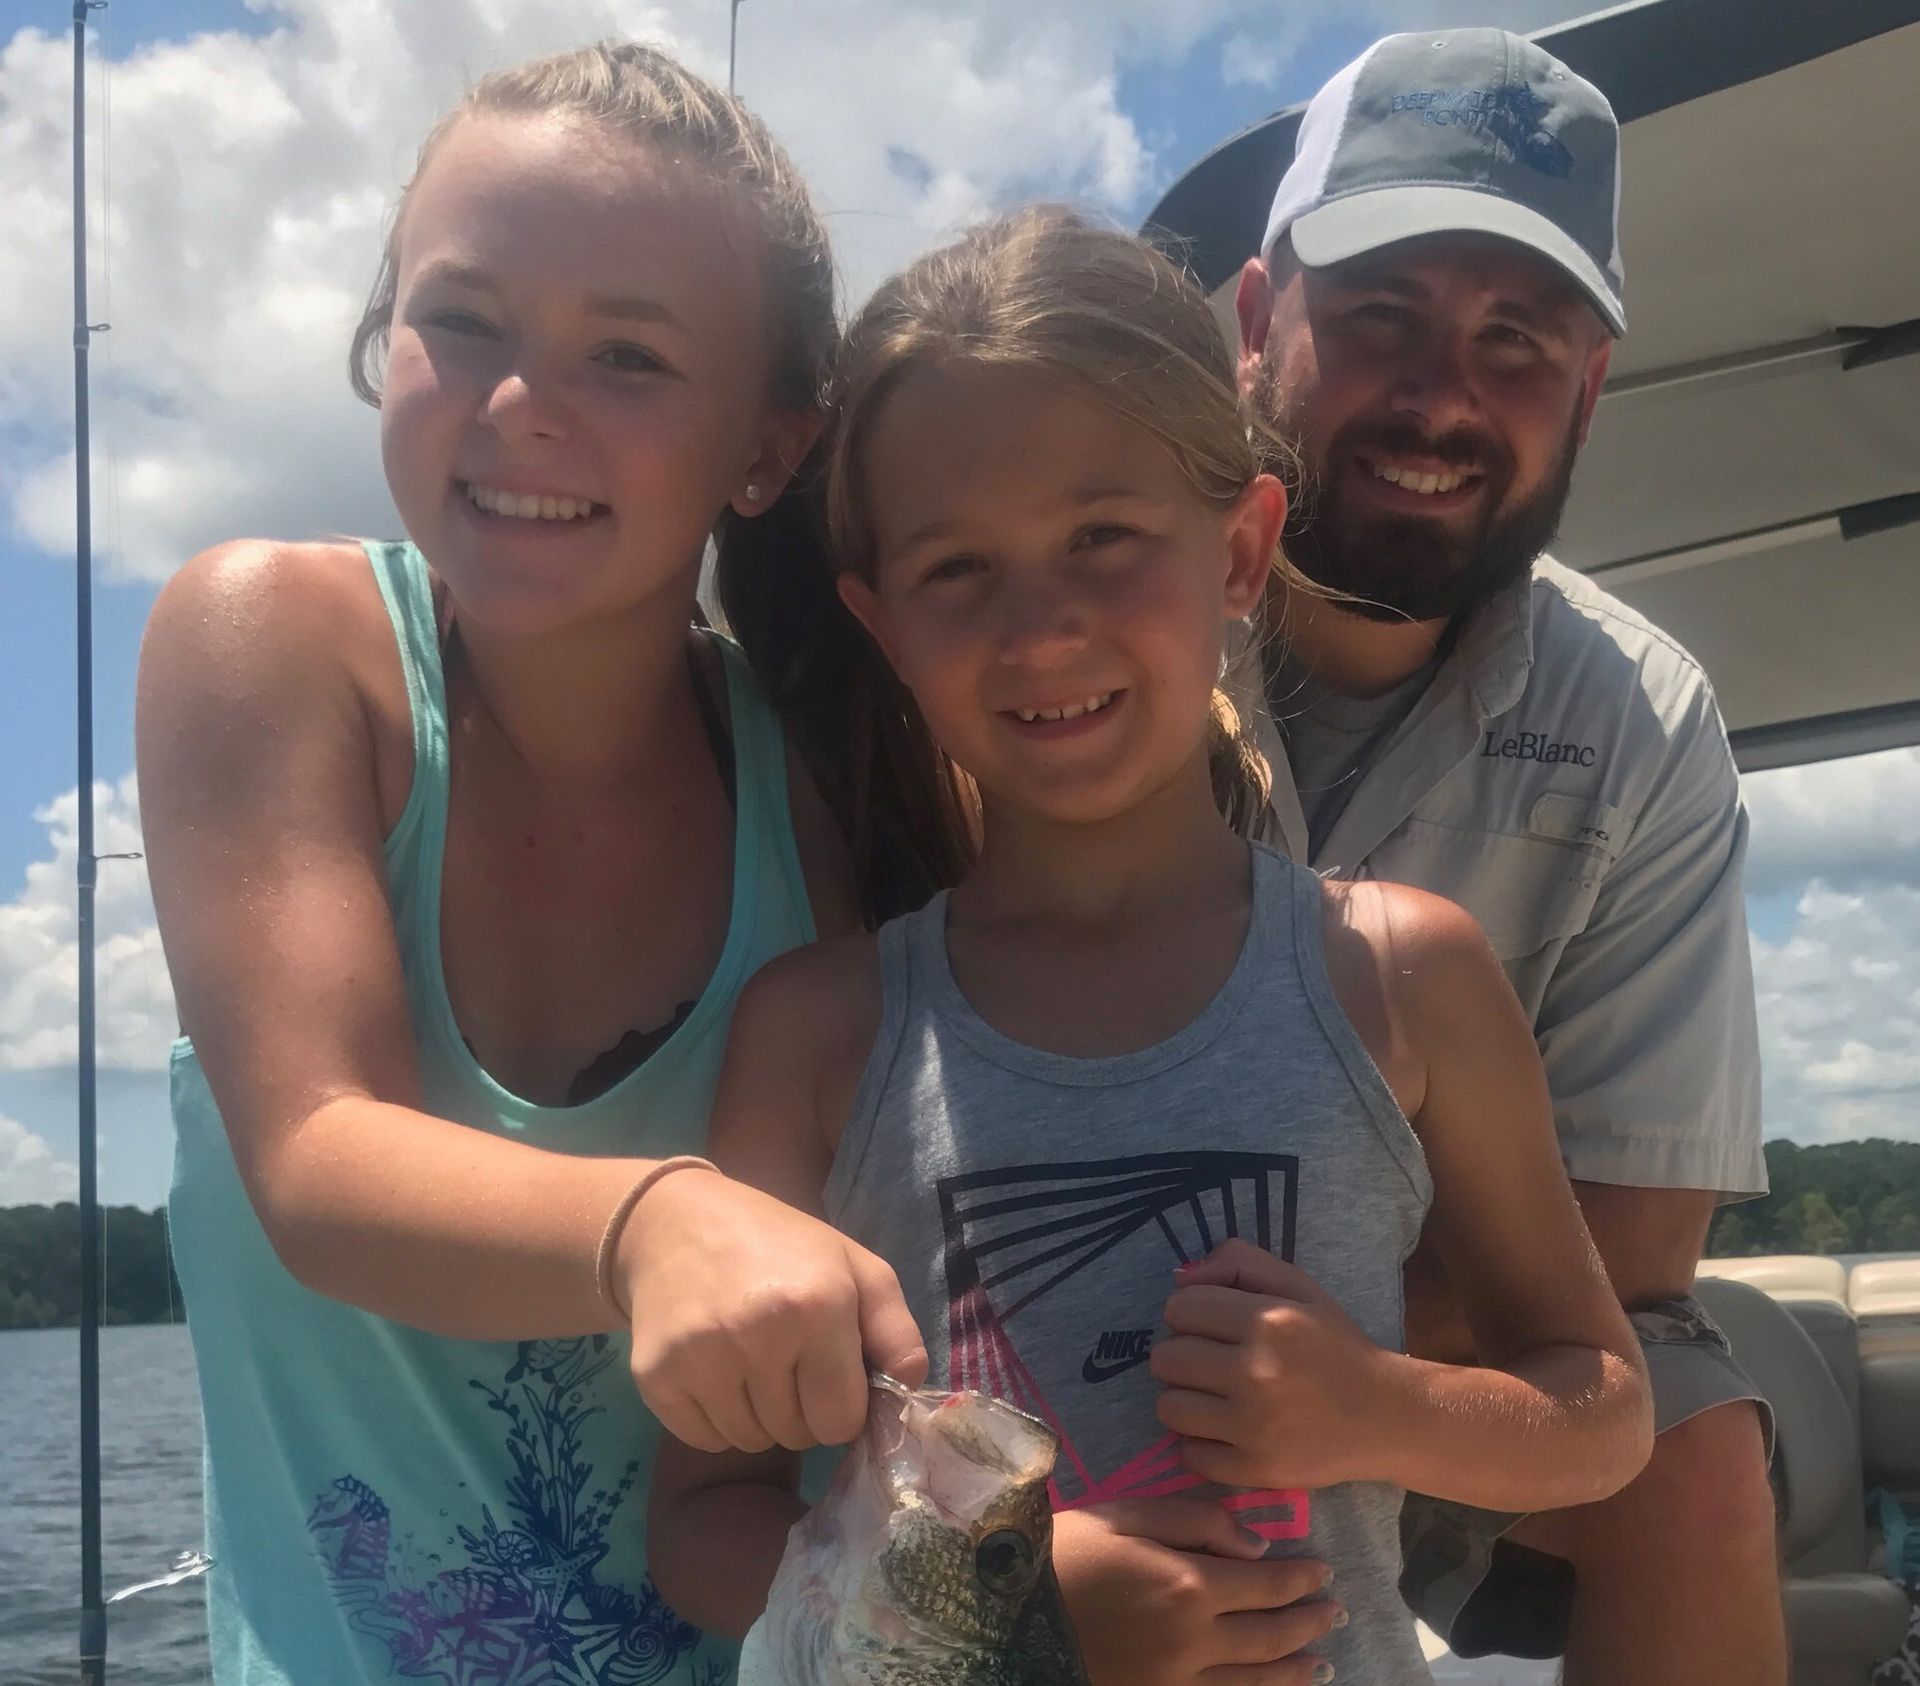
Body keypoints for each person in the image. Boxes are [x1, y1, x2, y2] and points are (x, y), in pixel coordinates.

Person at [649, 206, 1653, 1686]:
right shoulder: (817, 1036)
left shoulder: (1401, 974)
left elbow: (1607, 1407)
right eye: (957, 571)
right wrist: (1007, 1592)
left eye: (1104, 538)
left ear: (1243, 546)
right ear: (879, 621)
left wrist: (1374, 1405)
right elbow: (699, 1521)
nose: (1042, 627)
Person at [138, 44, 930, 1685]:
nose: (517, 403)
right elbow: (319, 1157)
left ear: (767, 449)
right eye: (464, 321)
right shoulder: (270, 637)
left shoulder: (827, 799)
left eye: (629, 354)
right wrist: (651, 1222)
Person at [1220, 28, 1781, 1684]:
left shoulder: (1647, 719)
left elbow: (1634, 1255)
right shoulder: (1091, 608)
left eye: (1519, 340)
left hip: (1446, 1381)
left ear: (1591, 390)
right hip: (1039, 1303)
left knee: (1697, 1463)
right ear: (1258, 324)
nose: (1443, 394)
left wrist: (1330, 1379)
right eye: (1381, 312)